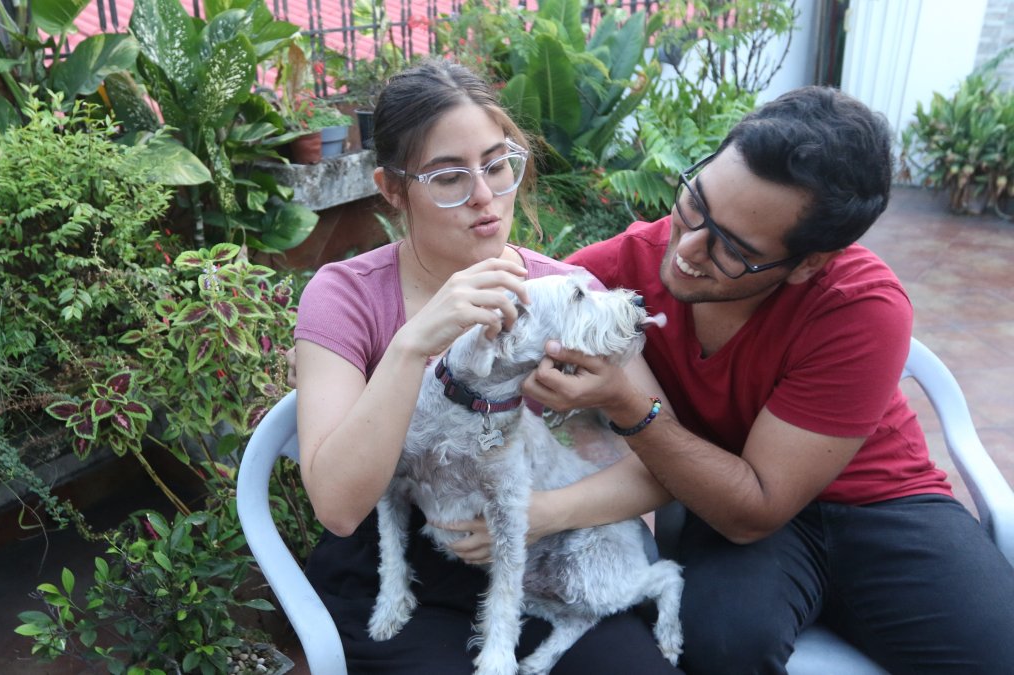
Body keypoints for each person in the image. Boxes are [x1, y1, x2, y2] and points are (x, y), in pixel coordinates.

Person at [517, 86, 1014, 673]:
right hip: (724, 502)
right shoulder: (618, 270)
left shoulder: (860, 307)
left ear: (809, 263)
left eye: (733, 248)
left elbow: (756, 507)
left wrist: (628, 404)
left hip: (883, 504)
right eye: (695, 203)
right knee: (716, 646)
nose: (688, 248)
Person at [292, 58, 682, 674]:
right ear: (392, 189)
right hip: (402, 566)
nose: (484, 196)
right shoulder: (348, 296)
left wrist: (545, 515)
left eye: (497, 166)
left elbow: (662, 461)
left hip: (544, 554)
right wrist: (412, 345)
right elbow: (339, 507)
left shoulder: (565, 298)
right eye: (449, 177)